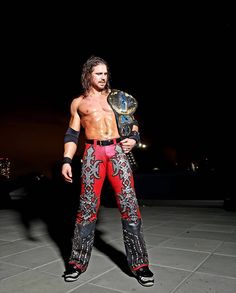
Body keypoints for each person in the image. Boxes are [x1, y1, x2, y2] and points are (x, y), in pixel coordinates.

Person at [61, 55, 154, 287]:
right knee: (87, 208)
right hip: (92, 154)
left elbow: (132, 123)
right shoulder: (78, 103)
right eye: (98, 73)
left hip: (117, 152)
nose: (103, 77)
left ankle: (140, 265)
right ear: (88, 75)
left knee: (130, 206)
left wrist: (133, 138)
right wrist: (66, 160)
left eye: (105, 73)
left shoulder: (117, 97)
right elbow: (72, 134)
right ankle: (77, 262)